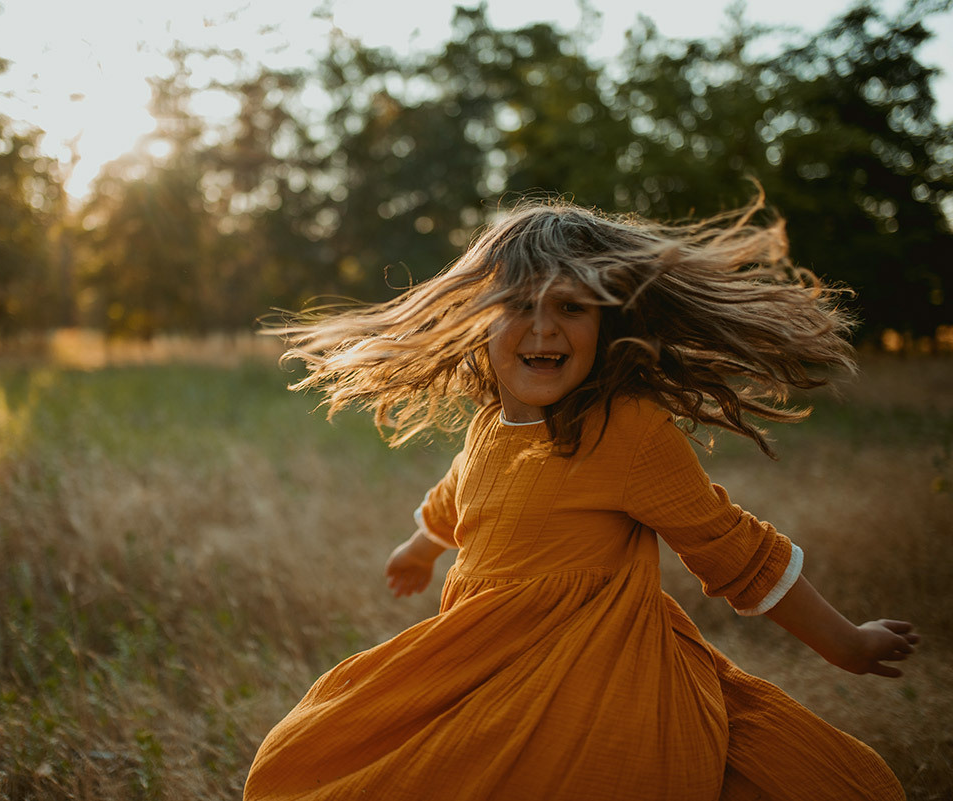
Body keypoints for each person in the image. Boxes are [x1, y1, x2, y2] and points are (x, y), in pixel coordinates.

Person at [244, 194, 919, 801]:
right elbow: (459, 494)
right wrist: (421, 548)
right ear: (478, 320)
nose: (544, 329)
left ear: (607, 322)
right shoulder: (488, 427)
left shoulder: (626, 430)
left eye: (570, 306)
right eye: (519, 305)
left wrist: (846, 643)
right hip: (486, 668)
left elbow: (736, 551)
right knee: (315, 757)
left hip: (597, 683)